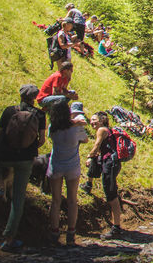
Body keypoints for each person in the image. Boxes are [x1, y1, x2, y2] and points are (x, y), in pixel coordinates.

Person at [0, 84, 47, 252]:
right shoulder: (40, 114)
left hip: (4, 156)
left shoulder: (9, 111)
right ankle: (8, 239)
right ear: (35, 98)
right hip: (25, 160)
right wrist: (29, 148)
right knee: (18, 199)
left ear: (21, 96)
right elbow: (42, 140)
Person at [46, 100, 89, 246]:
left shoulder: (52, 127)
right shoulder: (76, 128)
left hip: (56, 164)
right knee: (72, 200)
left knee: (55, 200)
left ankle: (54, 232)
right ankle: (71, 233)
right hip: (72, 165)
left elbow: (49, 138)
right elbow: (85, 139)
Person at [87, 112, 123, 239]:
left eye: (94, 120)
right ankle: (88, 184)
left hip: (110, 164)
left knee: (111, 194)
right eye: (91, 120)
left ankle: (116, 227)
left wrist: (89, 156)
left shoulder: (101, 130)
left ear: (102, 120)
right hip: (111, 163)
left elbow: (96, 146)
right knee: (111, 192)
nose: (92, 122)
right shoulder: (108, 130)